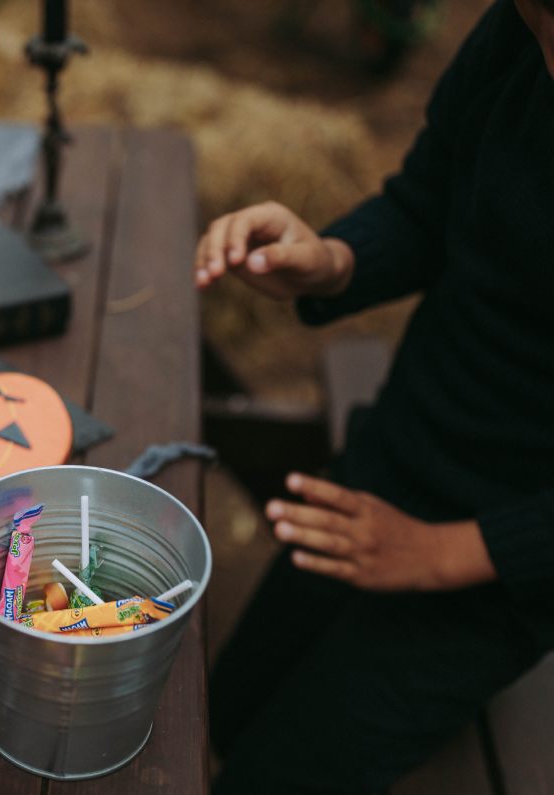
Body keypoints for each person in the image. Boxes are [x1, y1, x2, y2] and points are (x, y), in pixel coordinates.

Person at [198, 1, 554, 792]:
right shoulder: (513, 36)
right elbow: (428, 204)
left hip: (510, 568)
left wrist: (448, 554)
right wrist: (332, 258)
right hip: (400, 450)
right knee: (221, 711)